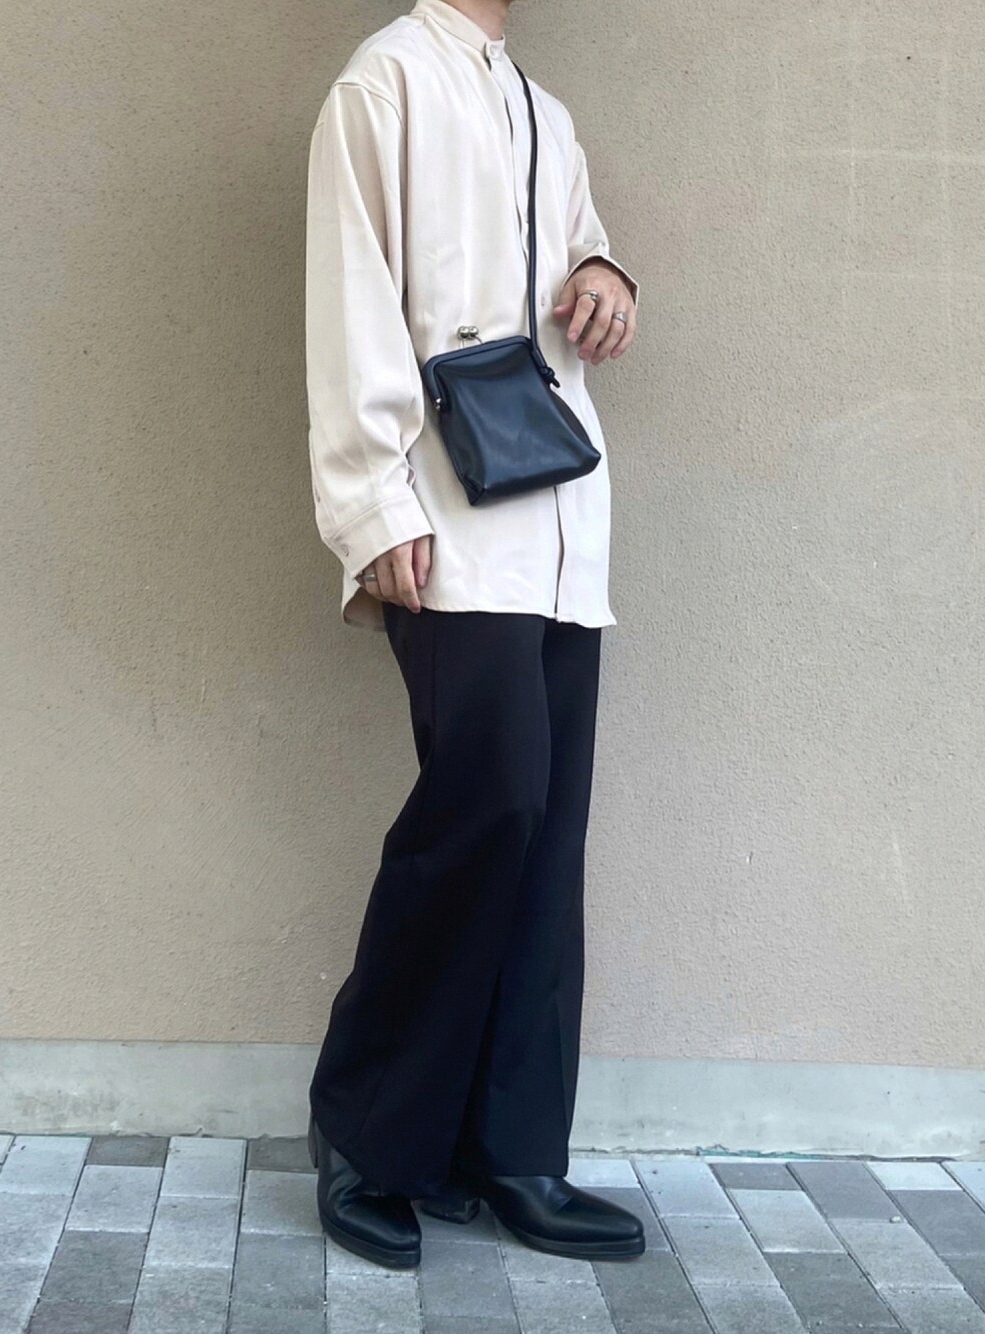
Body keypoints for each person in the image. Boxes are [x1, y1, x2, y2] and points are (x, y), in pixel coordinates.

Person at [304, 0, 643, 1270]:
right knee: (483, 809)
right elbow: (349, 299)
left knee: (546, 838)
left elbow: (573, 254)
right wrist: (369, 504)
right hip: (443, 522)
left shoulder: (544, 111)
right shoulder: (385, 82)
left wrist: (604, 276)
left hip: (560, 523)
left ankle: (512, 1151)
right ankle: (368, 1130)